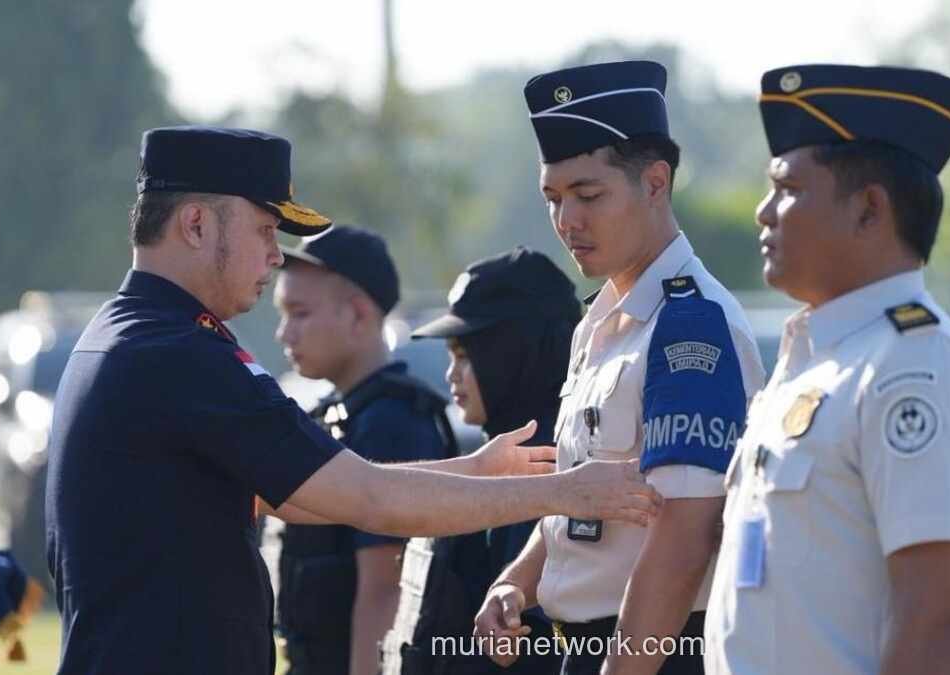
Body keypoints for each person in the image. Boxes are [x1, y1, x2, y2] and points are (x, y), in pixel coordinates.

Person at [43, 125, 662, 675]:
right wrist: (563, 491)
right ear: (196, 224)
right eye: (264, 231)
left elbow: (305, 492)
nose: (271, 257)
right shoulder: (177, 352)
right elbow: (364, 497)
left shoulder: (133, 335)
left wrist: (471, 470)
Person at [705, 64, 950, 675]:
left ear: (870, 210)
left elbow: (938, 619)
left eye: (787, 188)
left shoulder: (917, 366)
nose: (765, 212)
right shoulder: (817, 359)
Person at [473, 61, 765, 675]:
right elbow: (588, 499)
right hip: (593, 647)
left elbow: (686, 531)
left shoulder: (688, 324)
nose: (566, 222)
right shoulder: (605, 320)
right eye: (553, 198)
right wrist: (518, 581)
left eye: (588, 195)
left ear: (655, 183)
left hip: (658, 649)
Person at [382, 246, 577, 674]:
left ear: (515, 352)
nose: (452, 374)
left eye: (466, 355)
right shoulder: (497, 455)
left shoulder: (551, 461)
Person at [272, 226, 455, 675]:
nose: (283, 333)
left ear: (357, 315)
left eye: (299, 314)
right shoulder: (340, 415)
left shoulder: (392, 423)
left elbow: (385, 591)